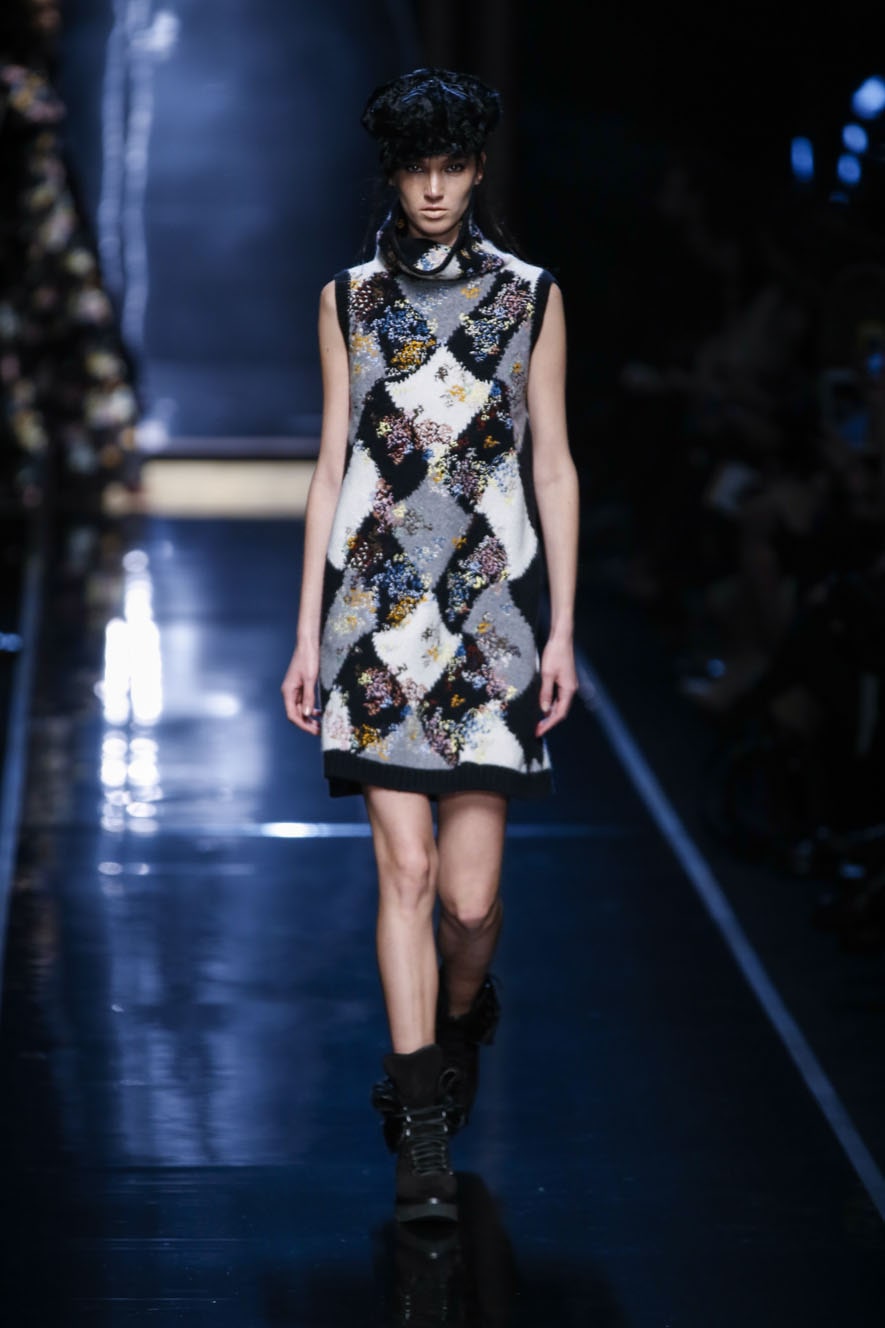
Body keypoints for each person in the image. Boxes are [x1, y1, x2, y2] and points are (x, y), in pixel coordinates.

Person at [281, 67, 580, 1224]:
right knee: (403, 872)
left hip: (491, 618)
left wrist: (564, 627)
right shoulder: (348, 299)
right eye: (419, 169)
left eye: (453, 166)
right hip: (375, 614)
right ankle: (420, 1138)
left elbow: (552, 463)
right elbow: (332, 467)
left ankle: (460, 1017)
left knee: (469, 903)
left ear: (478, 168)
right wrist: (305, 635)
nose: (437, 189)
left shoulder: (530, 296)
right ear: (395, 175)